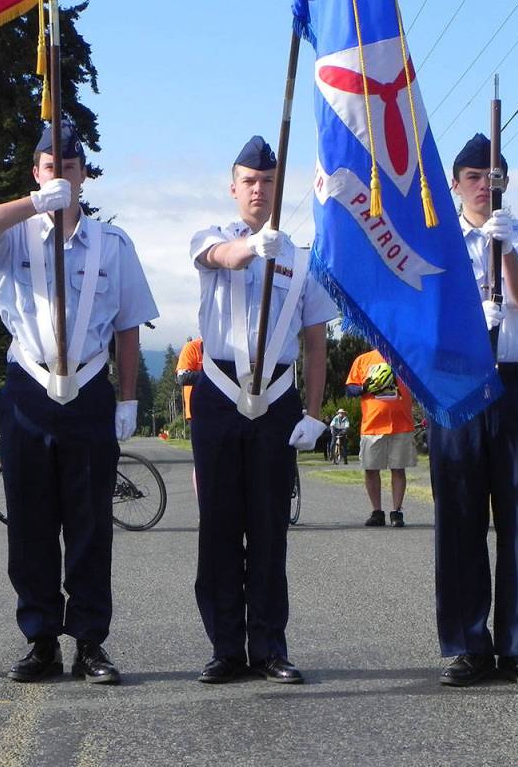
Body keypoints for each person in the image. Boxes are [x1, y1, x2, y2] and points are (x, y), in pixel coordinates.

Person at [0, 121, 158, 685]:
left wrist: (128, 398)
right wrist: (30, 204)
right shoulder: (14, 236)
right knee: (31, 523)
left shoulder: (112, 245)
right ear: (36, 174)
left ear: (83, 175)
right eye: (50, 168)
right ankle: (40, 637)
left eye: (69, 168)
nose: (61, 176)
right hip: (28, 387)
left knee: (91, 522)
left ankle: (91, 641)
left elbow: (128, 328)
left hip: (90, 387)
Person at [188, 135, 336, 685]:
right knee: (220, 527)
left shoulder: (302, 261)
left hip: (277, 399)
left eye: (268, 181)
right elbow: (220, 257)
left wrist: (316, 412)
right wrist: (253, 248)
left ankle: (270, 645)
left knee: (270, 529)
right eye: (249, 181)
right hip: (221, 395)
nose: (258, 189)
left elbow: (317, 341)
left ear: (278, 189)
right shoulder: (211, 238)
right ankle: (226, 647)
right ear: (233, 188)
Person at [430, 134, 518, 689]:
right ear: (456, 184)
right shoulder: (437, 240)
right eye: (474, 177)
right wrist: (464, 316)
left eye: (495, 177)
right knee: (458, 519)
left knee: (516, 519)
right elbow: (422, 316)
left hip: (516, 384)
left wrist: (504, 250)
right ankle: (467, 645)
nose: (486, 186)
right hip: (459, 384)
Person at [345, 350, 416, 528]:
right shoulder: (363, 360)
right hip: (372, 424)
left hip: (401, 423)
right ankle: (377, 512)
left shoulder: (405, 356)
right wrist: (364, 388)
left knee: (398, 469)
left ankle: (396, 512)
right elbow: (350, 389)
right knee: (370, 469)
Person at [176, 338, 204, 423]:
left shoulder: (227, 349)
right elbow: (182, 378)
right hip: (197, 412)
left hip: (225, 410)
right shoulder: (192, 347)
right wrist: (211, 375)